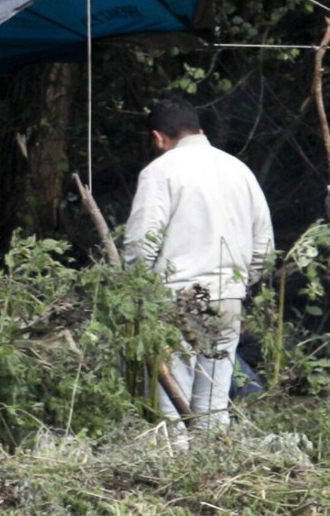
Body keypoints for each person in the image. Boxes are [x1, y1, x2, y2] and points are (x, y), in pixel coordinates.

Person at [123, 94, 273, 440]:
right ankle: (211, 477)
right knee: (213, 405)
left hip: (176, 299)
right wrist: (240, 284)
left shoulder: (160, 172)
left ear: (158, 137)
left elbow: (141, 242)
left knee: (172, 409)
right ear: (200, 130)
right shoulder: (239, 170)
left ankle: (172, 478)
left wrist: (136, 291)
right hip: (227, 299)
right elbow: (264, 245)